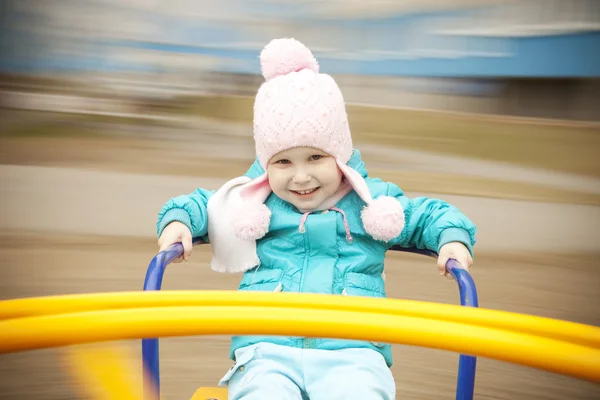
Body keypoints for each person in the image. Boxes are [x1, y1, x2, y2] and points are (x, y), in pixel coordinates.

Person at [156, 38, 476, 400]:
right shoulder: (252, 200)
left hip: (353, 351)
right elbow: (199, 204)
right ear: (266, 165)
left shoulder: (374, 201)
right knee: (262, 393)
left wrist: (451, 238)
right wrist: (178, 223)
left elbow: (430, 215)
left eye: (315, 158)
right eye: (283, 162)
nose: (301, 177)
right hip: (267, 349)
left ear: (339, 156)